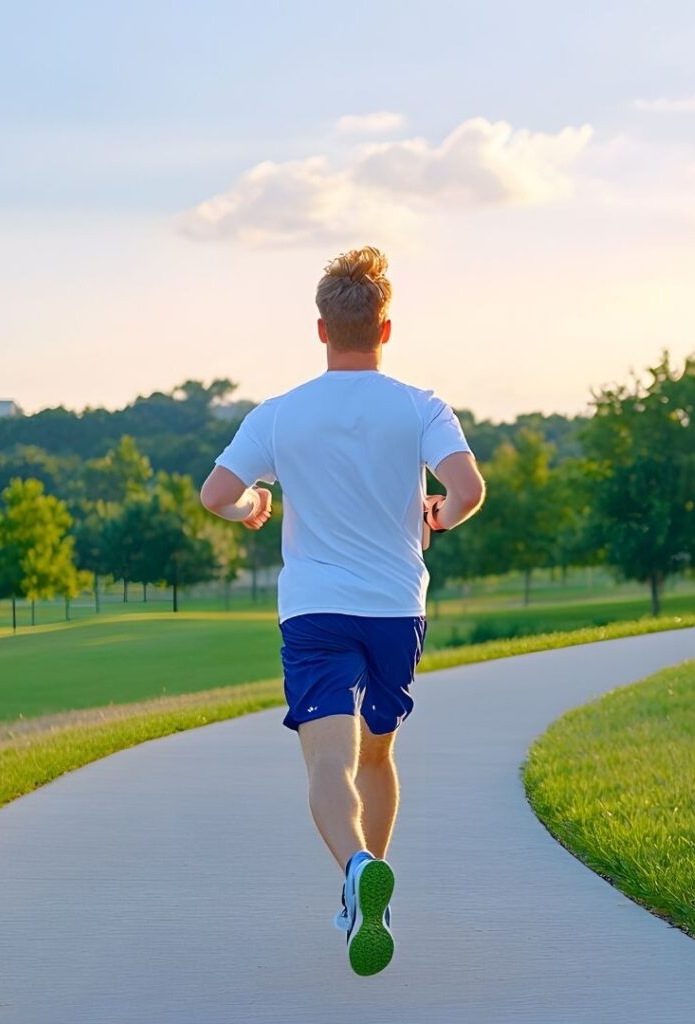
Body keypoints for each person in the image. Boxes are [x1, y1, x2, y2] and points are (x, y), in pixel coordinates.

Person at [199, 246, 486, 977]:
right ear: (385, 329)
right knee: (379, 754)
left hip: (315, 611)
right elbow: (468, 488)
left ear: (321, 330)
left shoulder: (280, 414)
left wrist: (251, 506)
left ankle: (358, 869)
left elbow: (213, 494)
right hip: (396, 608)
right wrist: (441, 515)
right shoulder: (422, 406)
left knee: (330, 756)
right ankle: (371, 894)